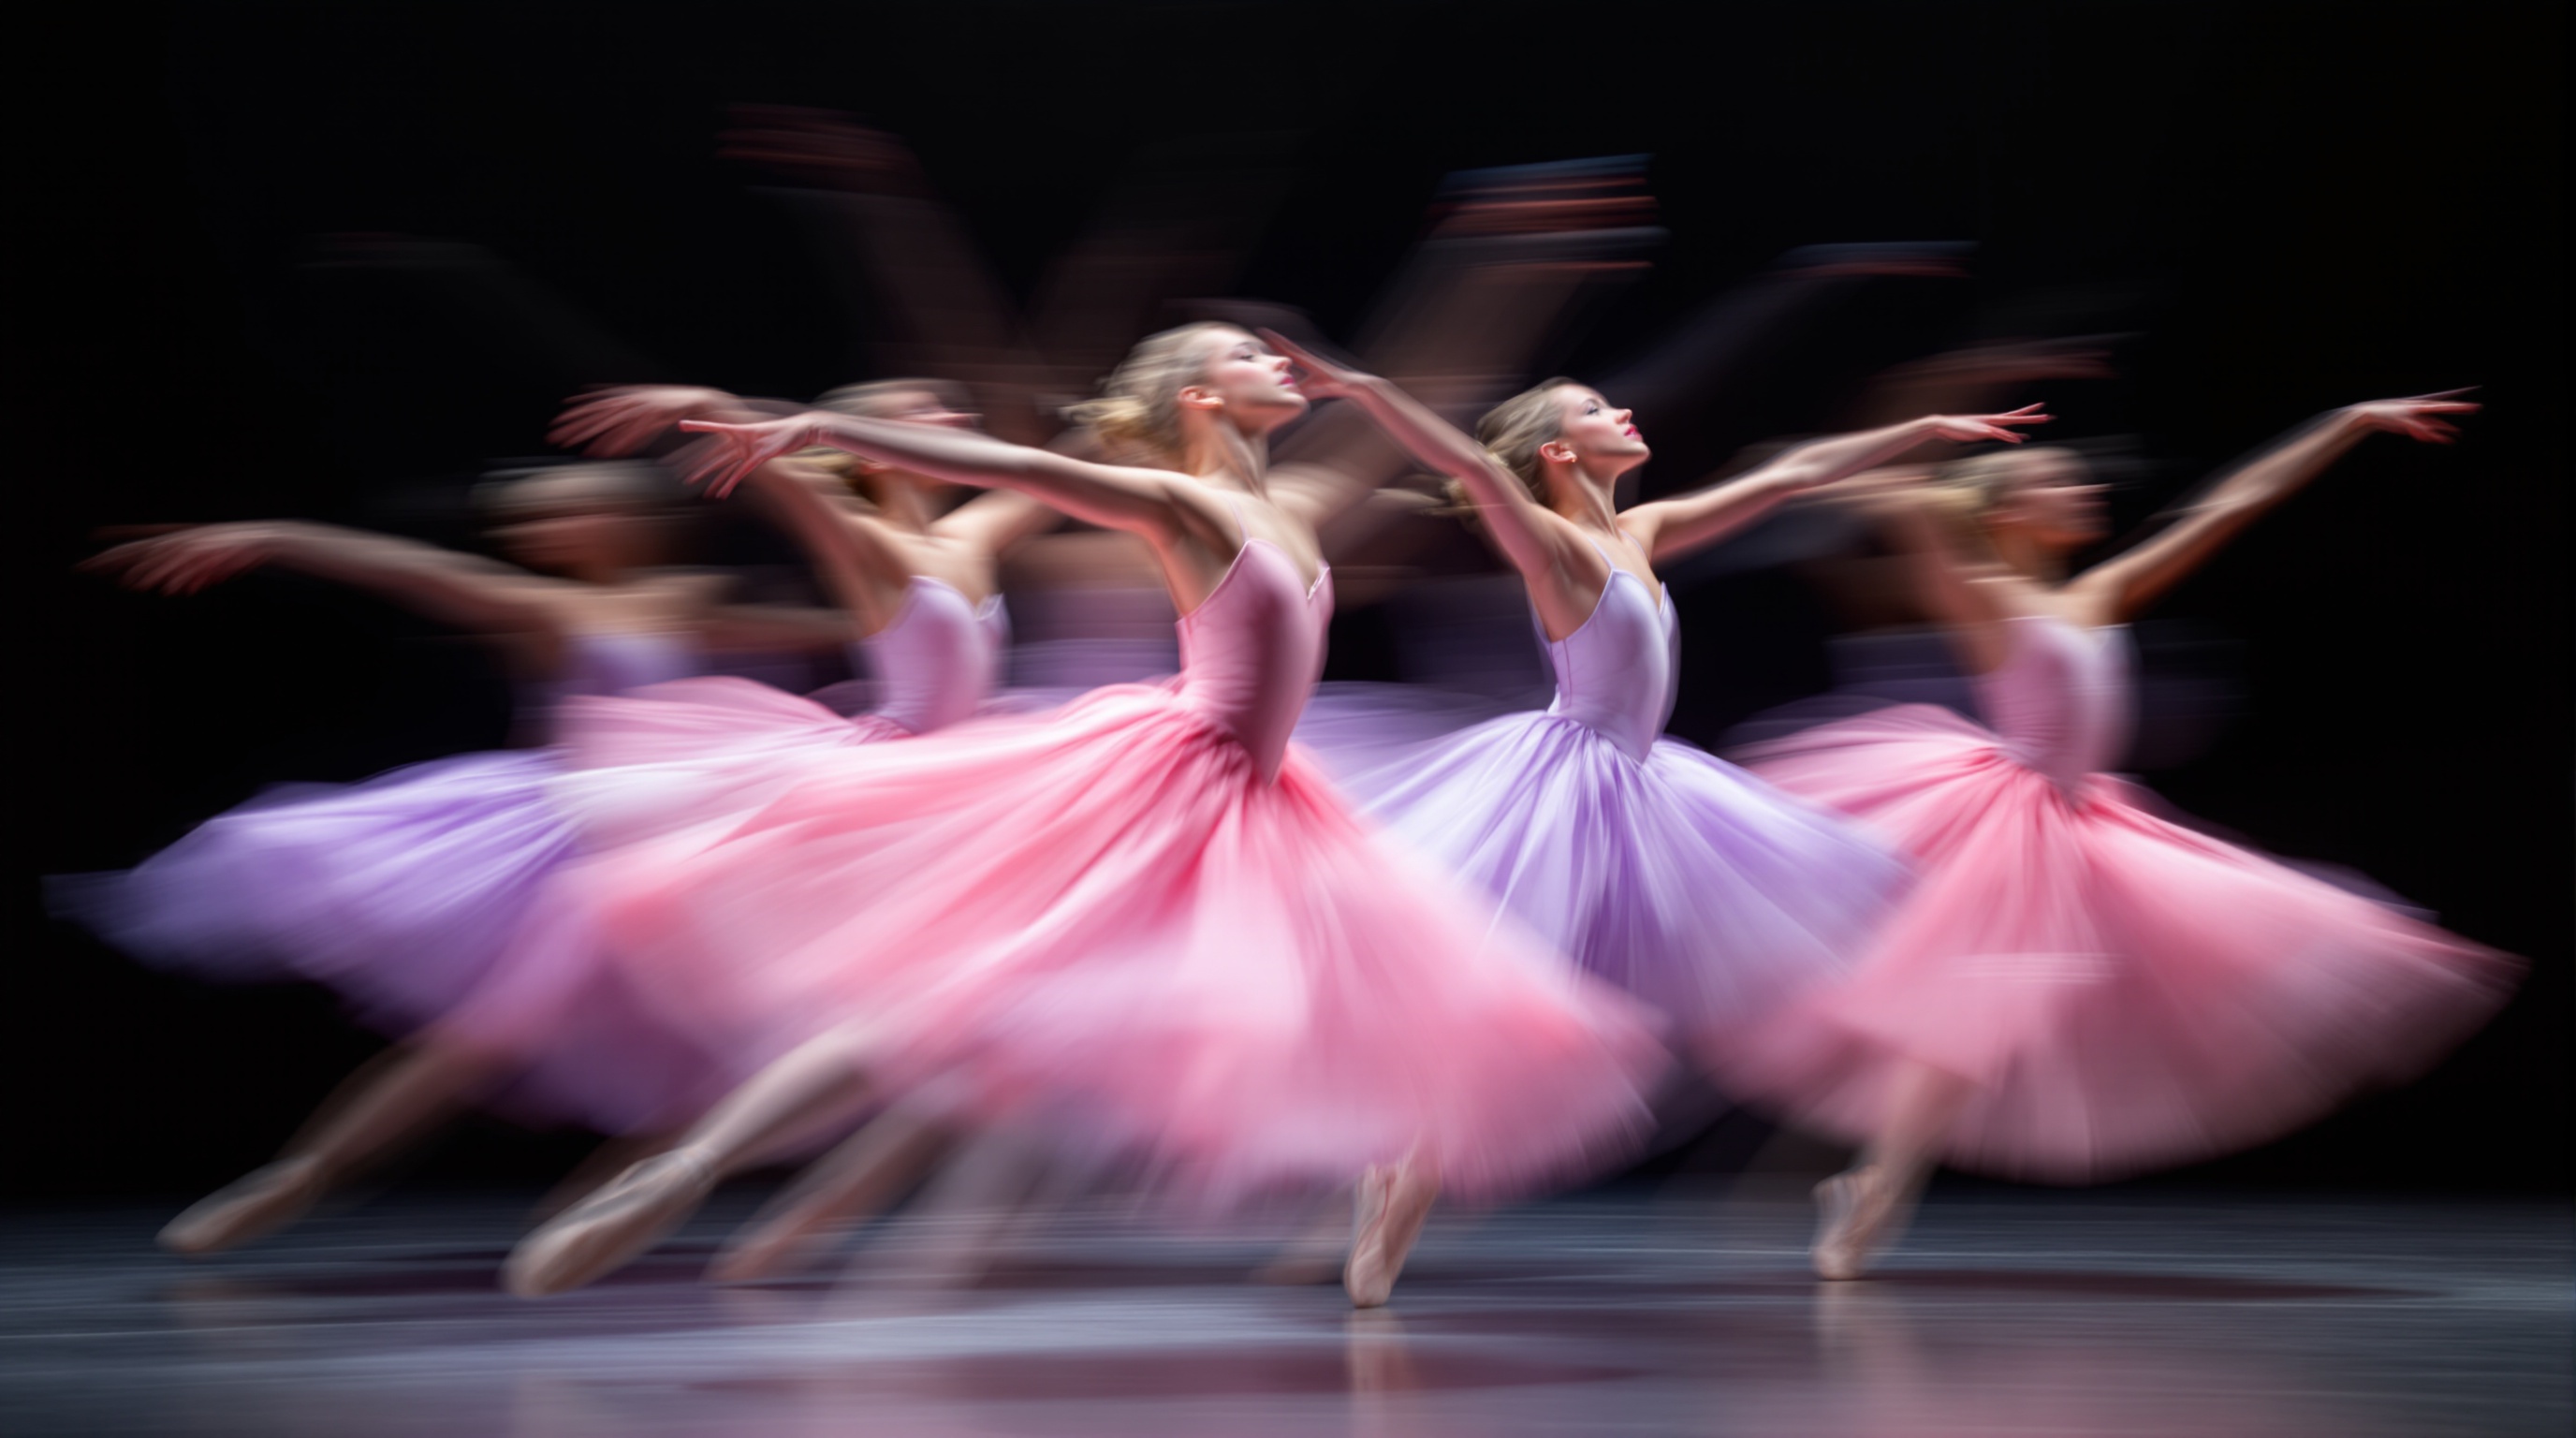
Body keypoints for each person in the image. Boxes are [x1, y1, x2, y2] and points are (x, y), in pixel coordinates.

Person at [502, 323, 1667, 1309]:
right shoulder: (1179, 502)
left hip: (1264, 798)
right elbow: (1022, 473)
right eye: (1247, 356)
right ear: (1206, 398)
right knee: (959, 999)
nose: (1278, 364)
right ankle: (684, 1171)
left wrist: (1483, 293)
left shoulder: (1298, 501)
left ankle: (1375, 1224)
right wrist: (813, 426)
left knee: (1386, 986)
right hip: (1165, 775)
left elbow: (1438, 440)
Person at [1728, 393, 2520, 1278]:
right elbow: (1898, 497)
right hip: (2009, 821)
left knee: (2009, 1007)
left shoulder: (2100, 593)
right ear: (2007, 513)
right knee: (1975, 1009)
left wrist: (2346, 424)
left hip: (2086, 821)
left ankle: (1870, 1175)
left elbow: (2229, 505)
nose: (2085, 491)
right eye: (2057, 484)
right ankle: (1874, 1183)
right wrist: (1924, 439)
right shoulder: (1983, 590)